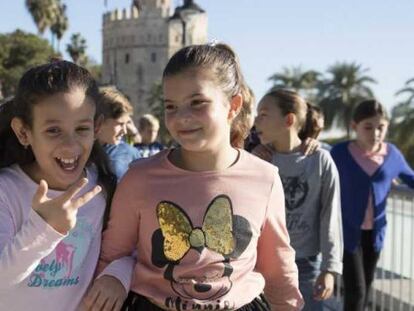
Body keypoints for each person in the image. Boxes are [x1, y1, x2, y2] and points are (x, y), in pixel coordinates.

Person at [84, 43, 303, 311]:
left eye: (197, 103)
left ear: (233, 106)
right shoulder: (140, 178)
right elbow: (111, 256)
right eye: (171, 106)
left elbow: (278, 267)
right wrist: (109, 282)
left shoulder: (264, 178)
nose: (182, 117)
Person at [0, 61, 123, 310]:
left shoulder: (103, 187)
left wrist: (119, 275)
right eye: (53, 130)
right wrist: (45, 228)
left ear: (96, 128)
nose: (70, 145)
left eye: (81, 129)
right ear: (23, 132)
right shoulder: (6, 190)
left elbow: (128, 250)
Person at [255, 89, 343, 311]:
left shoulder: (320, 160)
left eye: (264, 114)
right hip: (262, 265)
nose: (256, 121)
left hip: (306, 265)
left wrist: (330, 269)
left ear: (289, 119)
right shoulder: (258, 161)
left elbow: (330, 218)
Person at [330, 99, 414, 311]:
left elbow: (411, 179)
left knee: (366, 286)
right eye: (368, 127)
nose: (375, 133)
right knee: (355, 290)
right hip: (347, 233)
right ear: (354, 126)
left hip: (375, 233)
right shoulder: (340, 153)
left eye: (381, 127)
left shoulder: (392, 155)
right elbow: (317, 173)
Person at [97, 86, 141, 181]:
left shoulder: (130, 155)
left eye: (126, 124)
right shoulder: (78, 154)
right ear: (100, 121)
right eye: (120, 124)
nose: (125, 131)